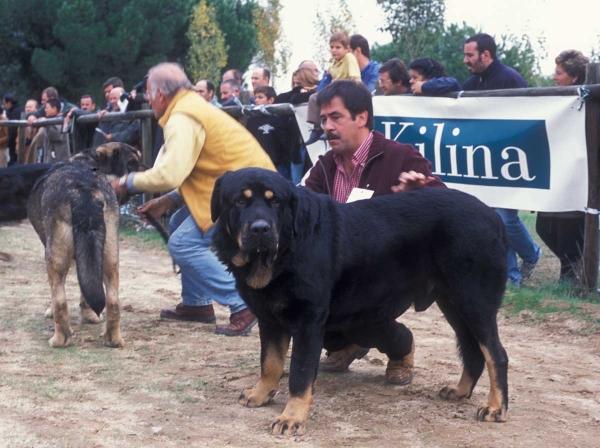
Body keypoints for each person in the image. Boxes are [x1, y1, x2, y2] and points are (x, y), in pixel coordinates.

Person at [110, 62, 276, 336]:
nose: (147, 99)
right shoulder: (189, 108)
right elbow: (201, 168)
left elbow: (170, 173)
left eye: (149, 93)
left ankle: (243, 304)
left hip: (250, 196)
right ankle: (197, 303)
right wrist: (171, 201)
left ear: (161, 93)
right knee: (177, 223)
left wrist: (126, 182)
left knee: (183, 243)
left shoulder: (183, 116)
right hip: (242, 189)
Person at [304, 80, 446, 376]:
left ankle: (401, 348)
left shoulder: (401, 156)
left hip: (392, 271)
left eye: (335, 117)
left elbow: (444, 203)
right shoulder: (324, 167)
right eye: (324, 119)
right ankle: (345, 343)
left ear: (361, 117)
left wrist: (422, 193)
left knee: (363, 318)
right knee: (309, 310)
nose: (327, 126)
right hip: (340, 271)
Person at [462, 33, 540, 286]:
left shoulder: (511, 78)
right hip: (484, 163)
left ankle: (531, 253)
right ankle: (511, 277)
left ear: (486, 54)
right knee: (494, 220)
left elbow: (529, 118)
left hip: (512, 163)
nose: (465, 60)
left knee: (506, 219)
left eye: (469, 55)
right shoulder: (472, 83)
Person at [536, 50, 589, 282]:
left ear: (575, 77)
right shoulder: (556, 100)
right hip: (556, 173)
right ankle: (580, 267)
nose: (554, 77)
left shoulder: (588, 100)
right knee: (543, 226)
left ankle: (571, 282)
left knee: (569, 228)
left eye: (559, 73)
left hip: (578, 176)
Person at [305, 31, 361, 145]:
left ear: (347, 48)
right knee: (314, 98)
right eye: (332, 47)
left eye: (338, 47)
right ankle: (317, 128)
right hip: (336, 90)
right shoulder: (334, 63)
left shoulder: (349, 58)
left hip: (347, 90)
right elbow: (326, 81)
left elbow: (355, 78)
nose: (334, 50)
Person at [246, 86, 290, 179]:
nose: (256, 100)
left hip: (278, 164)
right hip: (258, 164)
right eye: (255, 97)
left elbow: (285, 142)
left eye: (260, 97)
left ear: (270, 100)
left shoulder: (279, 118)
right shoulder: (252, 120)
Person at [40, 98, 69, 163]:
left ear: (54, 109)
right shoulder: (51, 120)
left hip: (58, 160)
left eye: (47, 108)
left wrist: (46, 123)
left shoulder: (61, 120)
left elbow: (56, 135)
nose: (45, 110)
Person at [2, 93, 24, 166]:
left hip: (15, 144)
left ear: (9, 103)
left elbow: (12, 132)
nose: (5, 106)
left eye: (5, 103)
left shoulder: (14, 113)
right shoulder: (18, 110)